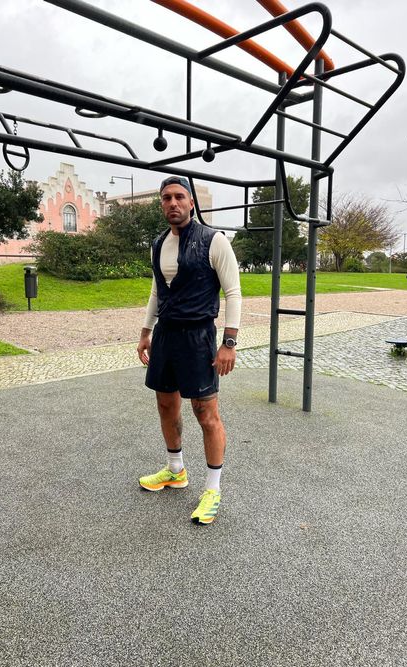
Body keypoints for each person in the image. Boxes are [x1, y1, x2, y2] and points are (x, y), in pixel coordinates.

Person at [137, 176, 241, 525]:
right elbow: (156, 291)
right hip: (165, 334)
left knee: (205, 412)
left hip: (198, 336)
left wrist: (229, 343)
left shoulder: (214, 240)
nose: (173, 203)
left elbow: (233, 293)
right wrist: (146, 331)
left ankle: (213, 489)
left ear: (191, 203)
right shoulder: (158, 244)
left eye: (179, 197)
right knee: (166, 403)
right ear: (161, 204)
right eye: (166, 198)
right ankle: (175, 470)